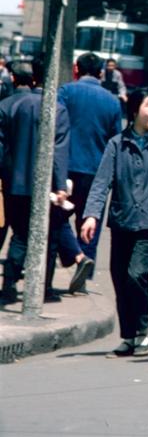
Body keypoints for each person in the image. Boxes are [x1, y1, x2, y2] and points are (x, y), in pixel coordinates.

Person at [81, 88, 148, 358]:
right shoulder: (117, 144)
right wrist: (91, 215)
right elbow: (102, 182)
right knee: (119, 278)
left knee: (136, 275)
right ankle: (128, 337)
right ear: (135, 110)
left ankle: (142, 332)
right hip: (122, 221)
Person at [0, 61, 70, 304]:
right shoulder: (57, 109)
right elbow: (59, 151)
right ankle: (43, 287)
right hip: (45, 186)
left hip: (14, 182)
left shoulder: (14, 105)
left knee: (19, 232)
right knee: (48, 236)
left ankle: (9, 281)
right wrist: (61, 186)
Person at [57, 52, 122, 293]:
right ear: (101, 73)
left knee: (57, 219)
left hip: (66, 168)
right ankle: (83, 277)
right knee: (90, 223)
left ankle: (71, 257)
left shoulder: (66, 92)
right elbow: (115, 139)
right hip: (97, 172)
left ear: (77, 69)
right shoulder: (112, 101)